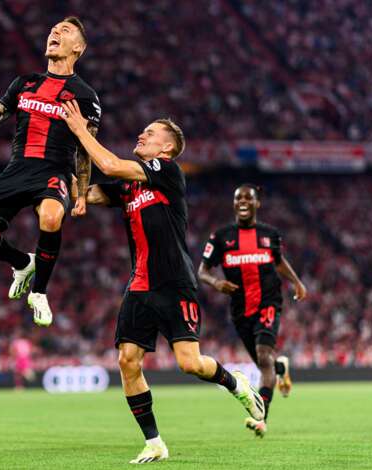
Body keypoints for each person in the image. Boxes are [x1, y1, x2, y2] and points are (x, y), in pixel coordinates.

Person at [61, 101, 264, 464]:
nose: (142, 135)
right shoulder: (128, 187)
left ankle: (236, 384)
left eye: (150, 133)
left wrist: (80, 131)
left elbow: (109, 164)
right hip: (139, 284)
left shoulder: (167, 171)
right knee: (127, 360)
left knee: (189, 363)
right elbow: (87, 192)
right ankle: (154, 441)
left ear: (166, 147)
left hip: (173, 282)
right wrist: (76, 151)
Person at [0, 17, 101, 326]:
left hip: (54, 170)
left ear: (79, 47)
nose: (54, 33)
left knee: (50, 217)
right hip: (17, 168)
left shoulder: (85, 96)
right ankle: (22, 262)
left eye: (64, 31)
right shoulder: (24, 83)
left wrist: (83, 194)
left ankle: (40, 292)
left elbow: (86, 149)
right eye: (52, 30)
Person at [198, 184, 308, 437]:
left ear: (257, 204)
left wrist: (297, 281)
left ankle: (261, 417)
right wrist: (216, 282)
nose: (243, 201)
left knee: (263, 356)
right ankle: (281, 369)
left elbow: (278, 262)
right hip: (240, 309)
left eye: (249, 198)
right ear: (234, 204)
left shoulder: (269, 235)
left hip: (268, 303)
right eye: (239, 198)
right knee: (264, 364)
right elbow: (202, 271)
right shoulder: (221, 237)